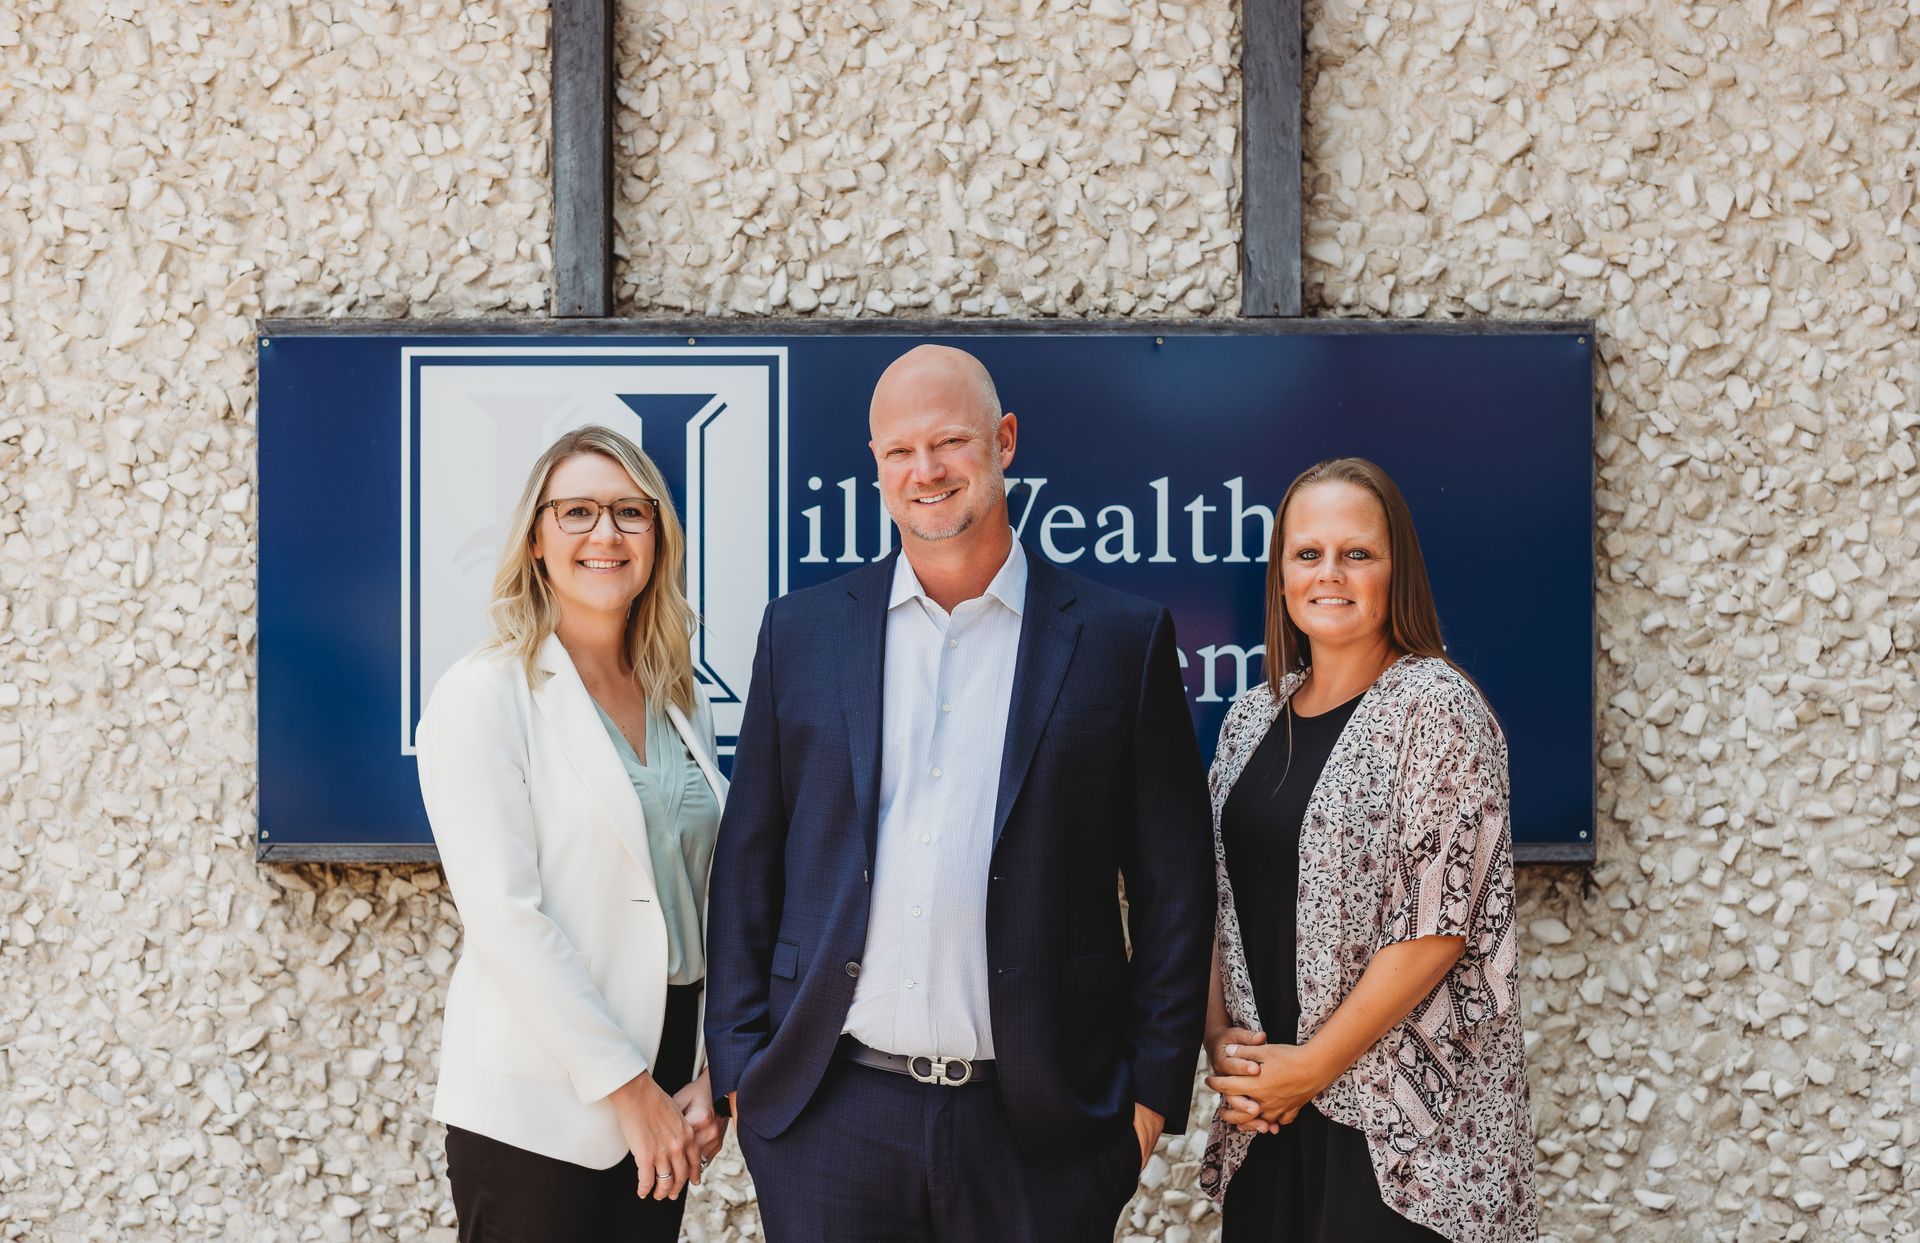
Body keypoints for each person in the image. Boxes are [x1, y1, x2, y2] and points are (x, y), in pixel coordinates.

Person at [704, 345, 1215, 1242]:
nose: (926, 471)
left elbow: (1176, 885)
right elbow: (748, 864)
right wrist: (742, 1066)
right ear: (875, 465)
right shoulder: (802, 632)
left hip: (1041, 1131)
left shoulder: (1119, 641)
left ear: (1004, 441)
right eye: (899, 451)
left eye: (949, 442)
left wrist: (1148, 1096)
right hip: (831, 1119)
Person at [1196, 457, 1539, 1242]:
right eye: (1308, 553)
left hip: (1402, 1133)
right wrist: (1227, 1048)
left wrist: (1312, 1066)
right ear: (1281, 575)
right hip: (1270, 1119)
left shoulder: (1438, 707)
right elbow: (1211, 898)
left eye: (1358, 553)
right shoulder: (1250, 721)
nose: (1331, 573)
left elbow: (1440, 924)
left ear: (1396, 572)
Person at [416, 425, 730, 1241]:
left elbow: (700, 893)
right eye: (579, 511)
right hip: (547, 1098)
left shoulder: (675, 696)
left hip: (669, 1074)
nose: (606, 534)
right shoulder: (484, 693)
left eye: (632, 512)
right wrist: (629, 1090)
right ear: (536, 538)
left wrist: (709, 1071)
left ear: (658, 538)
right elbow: (506, 918)